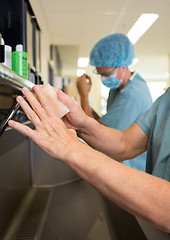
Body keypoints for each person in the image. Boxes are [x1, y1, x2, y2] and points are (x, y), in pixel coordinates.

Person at [8, 85, 170, 233]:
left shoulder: (134, 94)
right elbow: (125, 144)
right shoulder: (166, 99)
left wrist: (71, 148)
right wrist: (82, 124)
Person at [77, 33, 153, 171]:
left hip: (132, 168)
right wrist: (89, 108)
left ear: (123, 66)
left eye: (107, 74)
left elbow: (95, 132)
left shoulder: (133, 94)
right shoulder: (117, 88)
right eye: (100, 75)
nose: (103, 79)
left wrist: (83, 95)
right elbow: (107, 126)